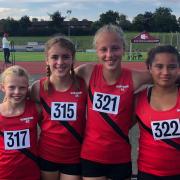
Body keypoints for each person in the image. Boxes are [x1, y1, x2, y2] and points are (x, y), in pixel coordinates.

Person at [75, 24, 151, 180]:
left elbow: (164, 75)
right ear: (97, 51)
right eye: (103, 49)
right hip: (91, 155)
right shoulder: (87, 71)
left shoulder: (134, 77)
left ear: (123, 48)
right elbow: (59, 80)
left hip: (120, 156)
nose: (109, 54)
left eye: (115, 48)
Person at [30, 36, 87, 180]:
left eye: (66, 57)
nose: (60, 62)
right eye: (54, 57)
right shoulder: (37, 88)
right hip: (46, 154)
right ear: (47, 60)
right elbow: (18, 102)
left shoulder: (83, 85)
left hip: (74, 156)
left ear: (73, 59)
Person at [135, 45, 180, 180]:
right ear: (149, 68)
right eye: (159, 66)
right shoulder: (138, 99)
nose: (165, 72)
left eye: (172, 67)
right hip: (147, 172)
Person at [0, 65, 40, 180]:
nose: (17, 92)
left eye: (22, 88)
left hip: (31, 171)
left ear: (27, 88)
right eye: (11, 87)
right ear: (3, 87)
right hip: (5, 172)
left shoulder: (36, 109)